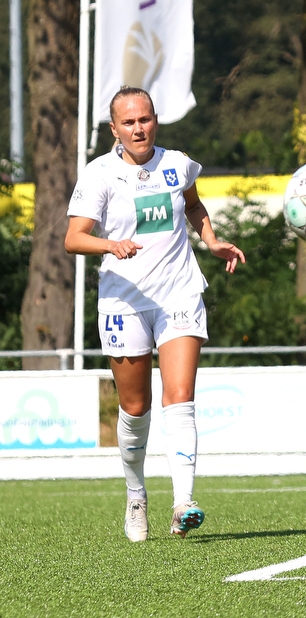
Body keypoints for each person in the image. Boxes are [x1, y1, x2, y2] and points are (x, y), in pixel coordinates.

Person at [64, 86, 245, 543]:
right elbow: (74, 238)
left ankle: (183, 502)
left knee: (180, 397)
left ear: (155, 120)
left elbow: (193, 205)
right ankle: (136, 492)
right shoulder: (100, 174)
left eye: (145, 119)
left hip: (179, 293)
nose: (138, 128)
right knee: (135, 406)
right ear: (115, 130)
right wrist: (111, 244)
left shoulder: (177, 162)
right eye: (128, 122)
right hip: (123, 300)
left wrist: (211, 239)